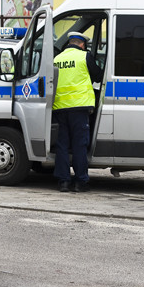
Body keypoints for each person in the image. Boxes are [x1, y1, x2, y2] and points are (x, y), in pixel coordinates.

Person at [53, 31, 103, 192]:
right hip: (80, 108)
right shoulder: (84, 56)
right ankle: (80, 182)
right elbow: (98, 75)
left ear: (69, 43)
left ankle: (63, 182)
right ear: (81, 44)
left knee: (62, 145)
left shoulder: (57, 59)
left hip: (60, 108)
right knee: (79, 145)